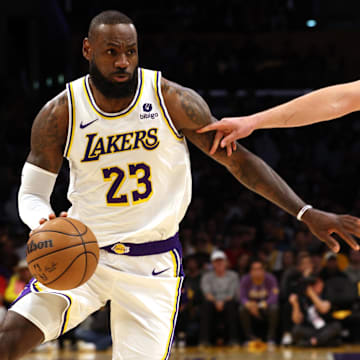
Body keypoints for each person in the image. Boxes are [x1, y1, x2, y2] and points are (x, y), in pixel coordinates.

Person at [1, 9, 360, 360]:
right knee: (8, 339)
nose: (123, 61)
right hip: (84, 252)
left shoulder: (170, 99)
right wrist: (42, 220)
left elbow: (240, 162)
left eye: (131, 51)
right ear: (87, 50)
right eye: (111, 51)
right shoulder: (60, 112)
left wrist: (304, 211)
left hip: (152, 264)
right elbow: (32, 192)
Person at [199, 250, 239, 346]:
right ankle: (204, 340)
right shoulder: (206, 277)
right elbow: (207, 293)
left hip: (228, 302)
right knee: (206, 304)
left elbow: (232, 293)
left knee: (231, 305)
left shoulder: (233, 276)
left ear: (226, 262)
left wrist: (222, 302)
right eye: (216, 261)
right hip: (212, 302)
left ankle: (234, 340)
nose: (219, 263)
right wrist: (216, 302)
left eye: (221, 261)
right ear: (212, 263)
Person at [289, 277, 342, 347]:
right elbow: (297, 320)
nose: (317, 286)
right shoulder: (302, 298)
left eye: (318, 283)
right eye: (313, 285)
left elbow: (323, 309)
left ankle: (311, 342)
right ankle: (323, 342)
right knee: (296, 329)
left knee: (336, 326)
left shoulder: (326, 294)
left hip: (325, 328)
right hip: (311, 329)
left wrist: (311, 294)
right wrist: (295, 304)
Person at [239, 259, 279, 346]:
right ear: (250, 271)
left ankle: (270, 339)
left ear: (263, 270)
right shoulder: (245, 279)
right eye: (254, 269)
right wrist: (249, 305)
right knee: (242, 309)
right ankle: (249, 338)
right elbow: (242, 297)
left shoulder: (271, 278)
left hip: (265, 307)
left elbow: (274, 297)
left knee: (274, 308)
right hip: (251, 308)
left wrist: (259, 305)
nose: (257, 271)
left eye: (259, 269)